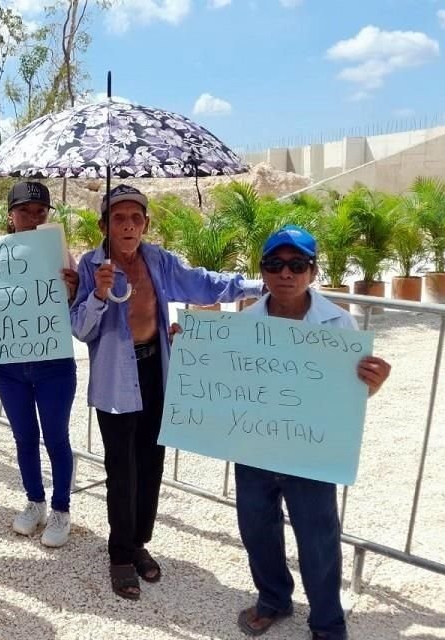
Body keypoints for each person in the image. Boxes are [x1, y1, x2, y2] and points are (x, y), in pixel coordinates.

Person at [70, 183, 264, 600]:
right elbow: (81, 329)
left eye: (135, 218)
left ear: (146, 224)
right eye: (118, 218)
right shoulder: (91, 265)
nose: (128, 226)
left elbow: (201, 284)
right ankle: (119, 553)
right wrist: (99, 294)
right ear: (104, 225)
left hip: (156, 368)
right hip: (115, 381)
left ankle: (139, 541)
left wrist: (254, 286)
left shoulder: (157, 260)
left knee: (151, 462)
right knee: (121, 469)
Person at [226, 225, 391, 639]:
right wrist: (192, 349)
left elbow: (350, 396)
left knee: (318, 539)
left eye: (297, 264)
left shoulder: (338, 324)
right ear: (262, 271)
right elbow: (224, 383)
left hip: (310, 452)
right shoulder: (243, 324)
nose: (286, 273)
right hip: (255, 447)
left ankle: (327, 623)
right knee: (256, 528)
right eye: (275, 264)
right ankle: (274, 599)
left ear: (313, 271)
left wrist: (371, 384)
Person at [0, 182, 79, 548]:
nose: (33, 217)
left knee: (56, 438)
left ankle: (61, 509)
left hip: (53, 365)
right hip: (9, 366)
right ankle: (34, 502)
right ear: (10, 216)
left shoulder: (62, 256)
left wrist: (74, 289)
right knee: (24, 437)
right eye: (25, 210)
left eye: (41, 211)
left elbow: (77, 312)